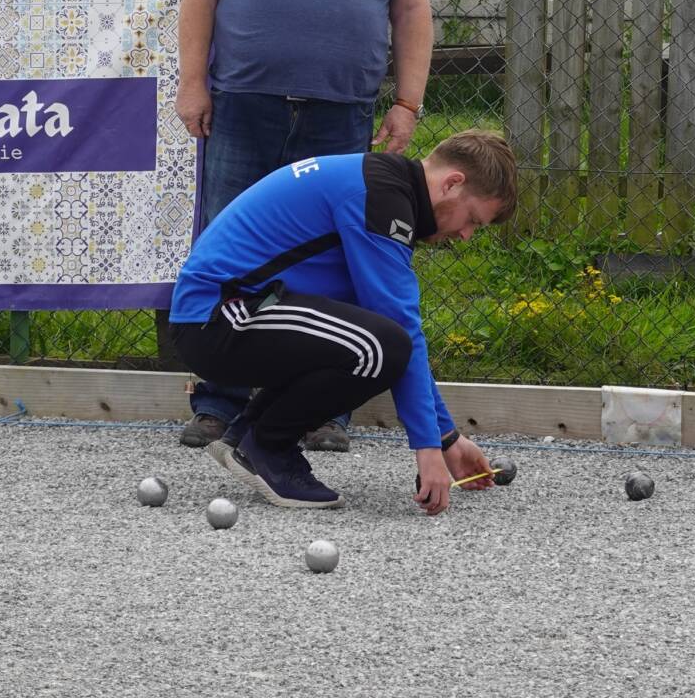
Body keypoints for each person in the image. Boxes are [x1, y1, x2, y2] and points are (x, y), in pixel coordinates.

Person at [171, 0, 434, 453]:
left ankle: (322, 405)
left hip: (342, 105)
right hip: (246, 96)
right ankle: (218, 399)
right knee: (231, 248)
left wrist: (408, 100)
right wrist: (192, 81)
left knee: (340, 259)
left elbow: (411, 6)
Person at [168, 130, 517, 514]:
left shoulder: (383, 186)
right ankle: (268, 446)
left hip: (231, 312)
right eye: (473, 220)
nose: (466, 235)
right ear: (452, 183)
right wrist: (429, 448)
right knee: (381, 347)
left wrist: (447, 437)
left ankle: (248, 436)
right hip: (218, 318)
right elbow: (402, 332)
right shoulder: (380, 200)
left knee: (372, 341)